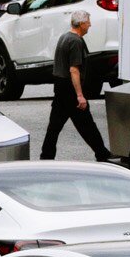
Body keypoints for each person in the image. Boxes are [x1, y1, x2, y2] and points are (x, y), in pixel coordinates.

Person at [43, 9, 111, 161]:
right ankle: (102, 153)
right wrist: (79, 95)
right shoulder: (75, 41)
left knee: (54, 126)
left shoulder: (64, 37)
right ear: (81, 24)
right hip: (70, 89)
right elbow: (74, 70)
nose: (90, 25)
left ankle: (46, 156)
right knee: (86, 124)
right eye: (88, 22)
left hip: (60, 87)